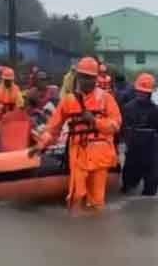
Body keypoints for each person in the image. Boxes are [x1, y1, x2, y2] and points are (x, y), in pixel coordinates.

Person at [29, 57, 122, 212]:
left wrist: (95, 121)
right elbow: (53, 128)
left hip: (101, 156)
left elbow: (116, 125)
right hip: (78, 153)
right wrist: (40, 145)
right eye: (83, 77)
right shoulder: (68, 101)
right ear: (78, 77)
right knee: (76, 196)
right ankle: (76, 228)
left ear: (95, 78)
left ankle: (96, 231)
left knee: (97, 200)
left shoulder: (106, 99)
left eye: (90, 77)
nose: (86, 81)